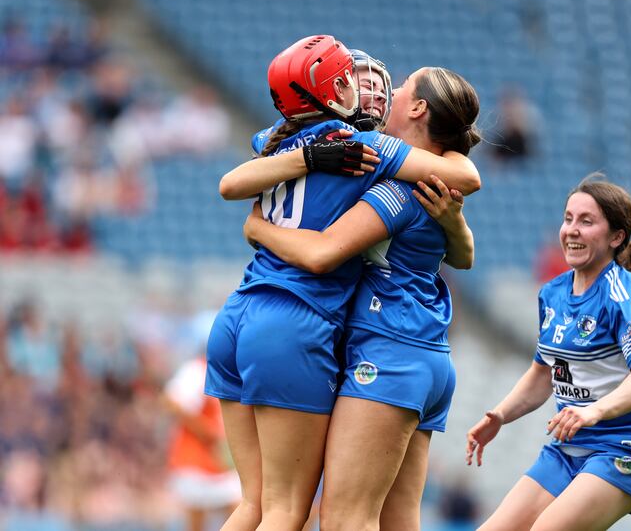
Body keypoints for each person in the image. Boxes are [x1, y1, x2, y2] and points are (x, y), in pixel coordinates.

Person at [205, 35, 480, 531]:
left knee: (278, 508)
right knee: (338, 515)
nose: (380, 91)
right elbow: (464, 245)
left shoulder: (302, 142)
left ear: (417, 108)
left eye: (396, 89)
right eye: (356, 81)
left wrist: (257, 228)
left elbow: (308, 244)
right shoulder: (368, 153)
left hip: (290, 326)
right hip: (373, 341)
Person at [466, 174, 631, 531]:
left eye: (586, 221)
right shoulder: (552, 294)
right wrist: (501, 415)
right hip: (572, 446)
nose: (572, 230)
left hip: (627, 447)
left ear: (616, 237)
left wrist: (591, 412)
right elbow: (544, 372)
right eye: (568, 219)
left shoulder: (626, 295)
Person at [162, 311, 240, 531]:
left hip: (220, 463)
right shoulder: (197, 369)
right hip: (195, 462)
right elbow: (173, 402)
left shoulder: (223, 372)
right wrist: (209, 432)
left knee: (238, 511)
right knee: (197, 522)